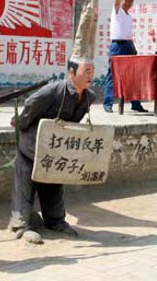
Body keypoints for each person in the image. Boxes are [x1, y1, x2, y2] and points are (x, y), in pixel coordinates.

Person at [9, 60, 96, 244]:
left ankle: (55, 221)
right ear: (72, 73)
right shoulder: (53, 91)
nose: (90, 75)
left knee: (54, 184)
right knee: (25, 184)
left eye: (92, 71)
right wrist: (22, 124)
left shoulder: (89, 97)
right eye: (86, 71)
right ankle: (21, 225)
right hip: (32, 144)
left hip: (55, 149)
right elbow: (30, 105)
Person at [103, 0, 148, 113]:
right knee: (112, 75)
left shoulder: (129, 16)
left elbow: (128, 33)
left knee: (133, 76)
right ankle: (108, 104)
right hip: (117, 46)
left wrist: (133, 47)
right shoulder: (117, 11)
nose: (128, 2)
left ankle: (135, 104)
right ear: (122, 0)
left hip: (128, 45)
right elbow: (116, 3)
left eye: (130, 0)